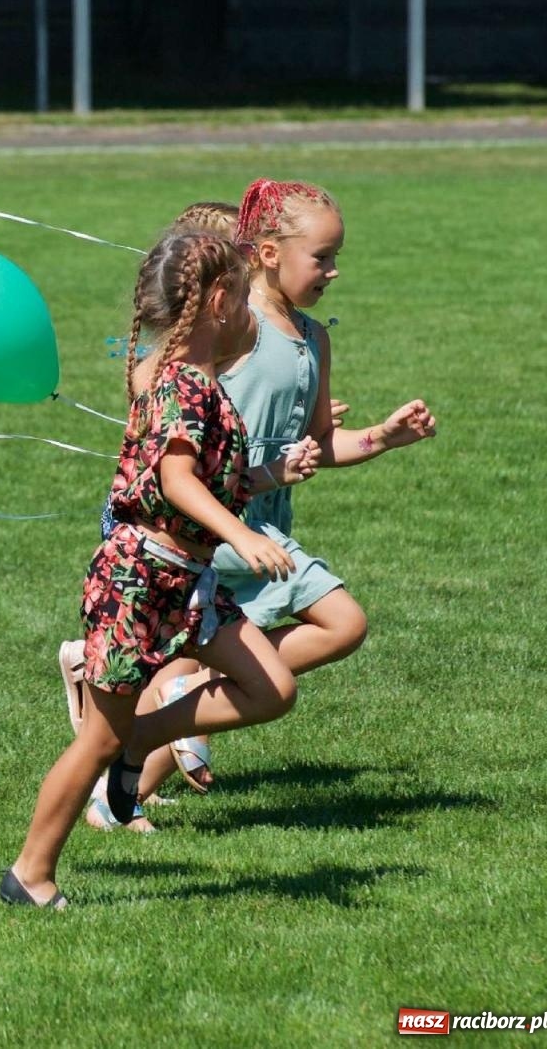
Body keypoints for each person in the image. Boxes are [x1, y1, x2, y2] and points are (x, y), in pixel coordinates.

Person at [63, 180, 439, 812]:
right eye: (321, 257)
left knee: (341, 627)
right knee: (292, 650)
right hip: (219, 526)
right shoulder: (229, 324)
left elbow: (322, 443)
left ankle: (144, 736)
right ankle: (127, 771)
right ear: (267, 254)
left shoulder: (315, 338)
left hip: (263, 522)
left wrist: (381, 437)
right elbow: (147, 376)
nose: (334, 270)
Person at [1, 230, 311, 908]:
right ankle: (29, 874)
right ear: (223, 300)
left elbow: (202, 479)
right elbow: (174, 481)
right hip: (140, 582)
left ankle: (142, 740)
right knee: (96, 741)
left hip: (185, 583)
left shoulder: (197, 384)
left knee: (273, 689)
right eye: (247, 297)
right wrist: (241, 536)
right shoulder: (182, 386)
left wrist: (268, 474)